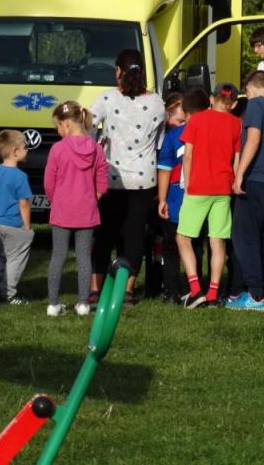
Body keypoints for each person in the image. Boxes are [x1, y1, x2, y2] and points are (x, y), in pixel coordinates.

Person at [89, 48, 165, 303]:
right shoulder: (156, 102)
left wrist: (98, 141)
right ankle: (128, 290)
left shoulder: (107, 99)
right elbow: (160, 140)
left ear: (118, 71)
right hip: (144, 180)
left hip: (112, 177)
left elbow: (88, 126)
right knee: (134, 234)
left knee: (105, 233)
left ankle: (95, 289)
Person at [177, 84, 241, 308]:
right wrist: (236, 181)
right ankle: (213, 293)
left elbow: (188, 156)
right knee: (217, 240)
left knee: (183, 238)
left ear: (212, 100)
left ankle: (195, 290)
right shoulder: (236, 124)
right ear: (233, 103)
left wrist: (187, 183)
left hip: (198, 186)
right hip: (223, 188)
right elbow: (237, 158)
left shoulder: (197, 120)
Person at [226, 70, 264, 311]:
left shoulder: (255, 106)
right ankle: (257, 290)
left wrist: (239, 174)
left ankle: (256, 295)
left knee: (243, 238)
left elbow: (254, 139)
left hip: (255, 179)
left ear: (250, 88)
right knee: (257, 238)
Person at [44, 101, 108, 317]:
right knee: (83, 258)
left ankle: (53, 304)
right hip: (87, 211)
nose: (57, 131)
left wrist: (57, 200)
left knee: (58, 256)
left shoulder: (57, 149)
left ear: (66, 124)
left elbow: (48, 183)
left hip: (62, 211)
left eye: (57, 127)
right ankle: (83, 303)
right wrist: (92, 199)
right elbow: (102, 182)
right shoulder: (96, 148)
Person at [0, 131, 34, 306]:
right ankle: (9, 294)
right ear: (15, 151)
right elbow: (24, 204)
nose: (27, 150)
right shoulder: (20, 176)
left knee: (1, 254)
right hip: (14, 225)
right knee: (15, 259)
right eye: (25, 147)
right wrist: (27, 228)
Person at [156, 93, 193, 303]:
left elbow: (164, 170)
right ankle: (194, 287)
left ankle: (170, 290)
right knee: (195, 246)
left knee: (170, 248)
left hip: (175, 199)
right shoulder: (205, 133)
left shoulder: (171, 137)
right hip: (199, 199)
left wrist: (161, 199)